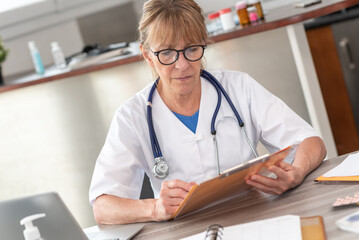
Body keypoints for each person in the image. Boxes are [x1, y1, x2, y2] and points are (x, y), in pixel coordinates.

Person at [89, 0, 326, 224]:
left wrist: (297, 171)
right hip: (184, 230)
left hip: (255, 216)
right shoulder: (132, 117)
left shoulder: (239, 87)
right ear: (147, 55)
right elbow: (103, 207)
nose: (182, 65)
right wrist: (154, 208)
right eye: (167, 53)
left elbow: (311, 142)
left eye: (191, 49)